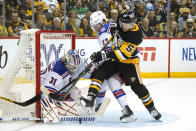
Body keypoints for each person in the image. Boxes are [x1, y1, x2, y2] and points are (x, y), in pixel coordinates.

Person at [81, 9, 162, 121]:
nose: (123, 26)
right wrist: (105, 28)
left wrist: (102, 54)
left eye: (126, 25)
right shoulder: (121, 20)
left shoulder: (136, 36)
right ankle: (91, 98)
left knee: (137, 87)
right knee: (102, 72)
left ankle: (152, 108)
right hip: (116, 60)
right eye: (122, 24)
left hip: (129, 61)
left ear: (133, 24)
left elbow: (121, 55)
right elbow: (110, 25)